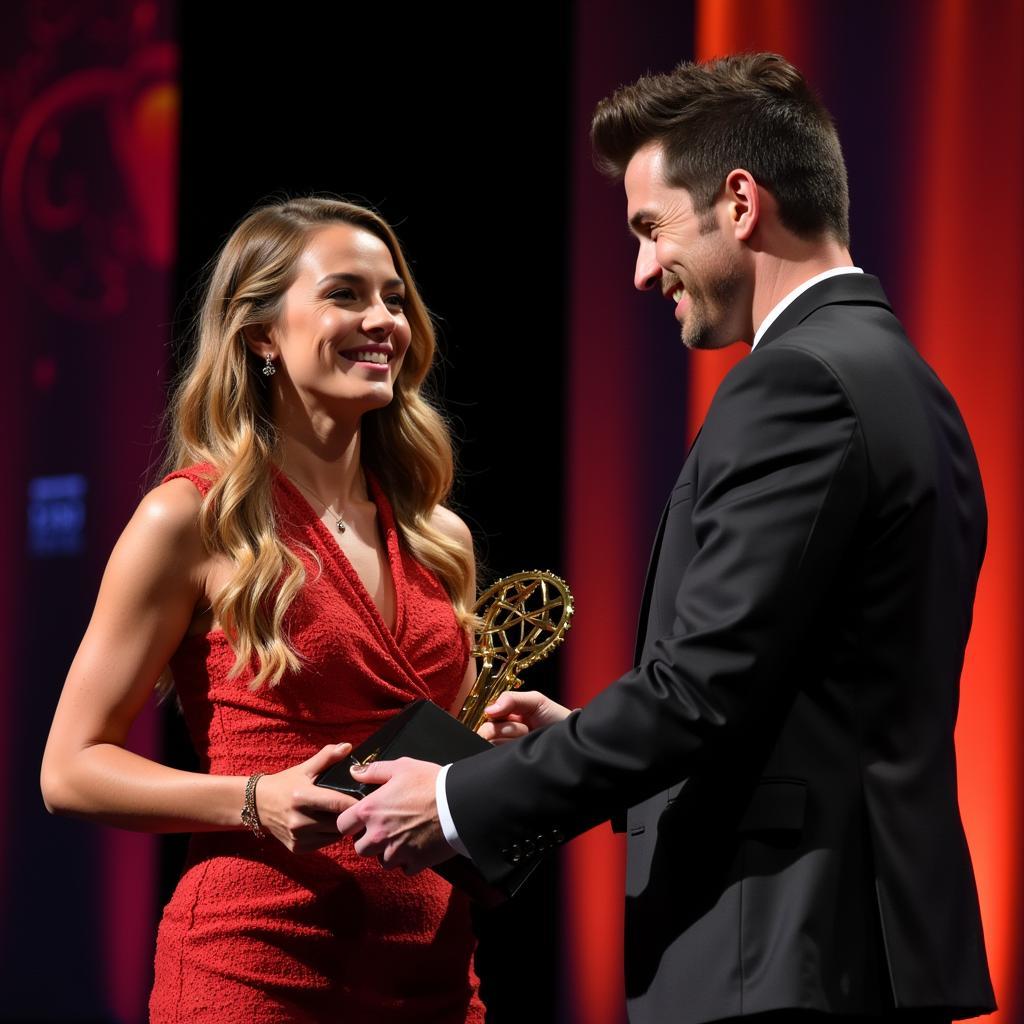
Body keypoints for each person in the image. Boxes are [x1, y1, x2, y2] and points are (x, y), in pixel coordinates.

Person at [336, 54, 997, 1024]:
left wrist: (454, 800)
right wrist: (581, 745)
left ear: (739, 202)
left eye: (650, 229)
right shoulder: (910, 382)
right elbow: (794, 696)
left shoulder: (797, 382)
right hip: (853, 946)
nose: (642, 270)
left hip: (778, 954)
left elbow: (695, 692)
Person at [40, 196, 490, 1022]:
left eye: (395, 298)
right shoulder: (190, 519)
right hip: (253, 967)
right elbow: (68, 770)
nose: (383, 319)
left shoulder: (438, 534)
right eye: (346, 294)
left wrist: (488, 758)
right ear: (260, 335)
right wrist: (255, 800)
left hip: (431, 971)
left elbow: (413, 758)